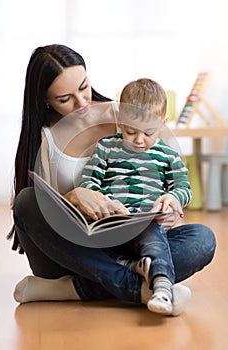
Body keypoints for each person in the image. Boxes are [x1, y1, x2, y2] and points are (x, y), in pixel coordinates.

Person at [9, 44, 216, 317]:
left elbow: (168, 180)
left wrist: (167, 208)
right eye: (65, 99)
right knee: (26, 200)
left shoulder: (129, 115)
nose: (82, 102)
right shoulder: (44, 136)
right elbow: (47, 212)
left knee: (201, 239)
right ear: (45, 99)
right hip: (75, 252)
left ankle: (71, 290)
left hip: (133, 241)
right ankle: (144, 286)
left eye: (84, 86)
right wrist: (74, 196)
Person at [78, 78, 192, 314]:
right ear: (120, 121)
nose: (139, 140)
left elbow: (183, 188)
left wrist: (173, 198)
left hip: (148, 226)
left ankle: (157, 285)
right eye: (130, 131)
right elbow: (88, 184)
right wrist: (105, 202)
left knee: (193, 239)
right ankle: (145, 275)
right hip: (110, 225)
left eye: (149, 132)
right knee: (86, 242)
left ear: (163, 123)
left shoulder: (168, 156)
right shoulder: (106, 147)